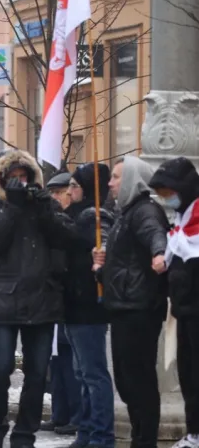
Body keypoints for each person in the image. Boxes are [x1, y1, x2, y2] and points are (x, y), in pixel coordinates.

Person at [0, 149, 73, 448]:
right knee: (1, 367)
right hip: (4, 301)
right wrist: (13, 208)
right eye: (13, 179)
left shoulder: (46, 206)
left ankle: (24, 435)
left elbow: (65, 239)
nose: (19, 184)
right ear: (3, 181)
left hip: (42, 301)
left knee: (36, 373)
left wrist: (45, 211)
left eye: (24, 178)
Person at [92, 156, 168, 448]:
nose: (110, 183)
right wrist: (102, 268)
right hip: (124, 306)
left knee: (139, 380)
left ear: (133, 180)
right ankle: (140, 436)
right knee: (125, 380)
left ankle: (144, 440)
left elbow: (155, 236)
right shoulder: (127, 213)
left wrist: (160, 253)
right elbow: (125, 264)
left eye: (116, 177)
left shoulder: (145, 210)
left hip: (139, 309)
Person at [60, 163, 116, 448]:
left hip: (88, 307)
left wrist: (99, 257)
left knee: (93, 374)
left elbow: (104, 250)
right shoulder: (76, 215)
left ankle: (101, 435)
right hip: (73, 305)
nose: (70, 191)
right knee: (82, 373)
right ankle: (86, 431)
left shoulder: (96, 217)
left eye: (75, 186)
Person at [149, 157, 199, 448]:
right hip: (183, 312)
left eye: (171, 193)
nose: (168, 199)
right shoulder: (180, 225)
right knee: (189, 376)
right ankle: (194, 431)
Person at [41, 171, 82, 436]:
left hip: (71, 299)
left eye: (60, 192)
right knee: (56, 362)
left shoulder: (77, 220)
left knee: (71, 363)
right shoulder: (51, 220)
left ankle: (75, 416)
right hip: (51, 300)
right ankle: (59, 413)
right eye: (52, 193)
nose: (56, 197)